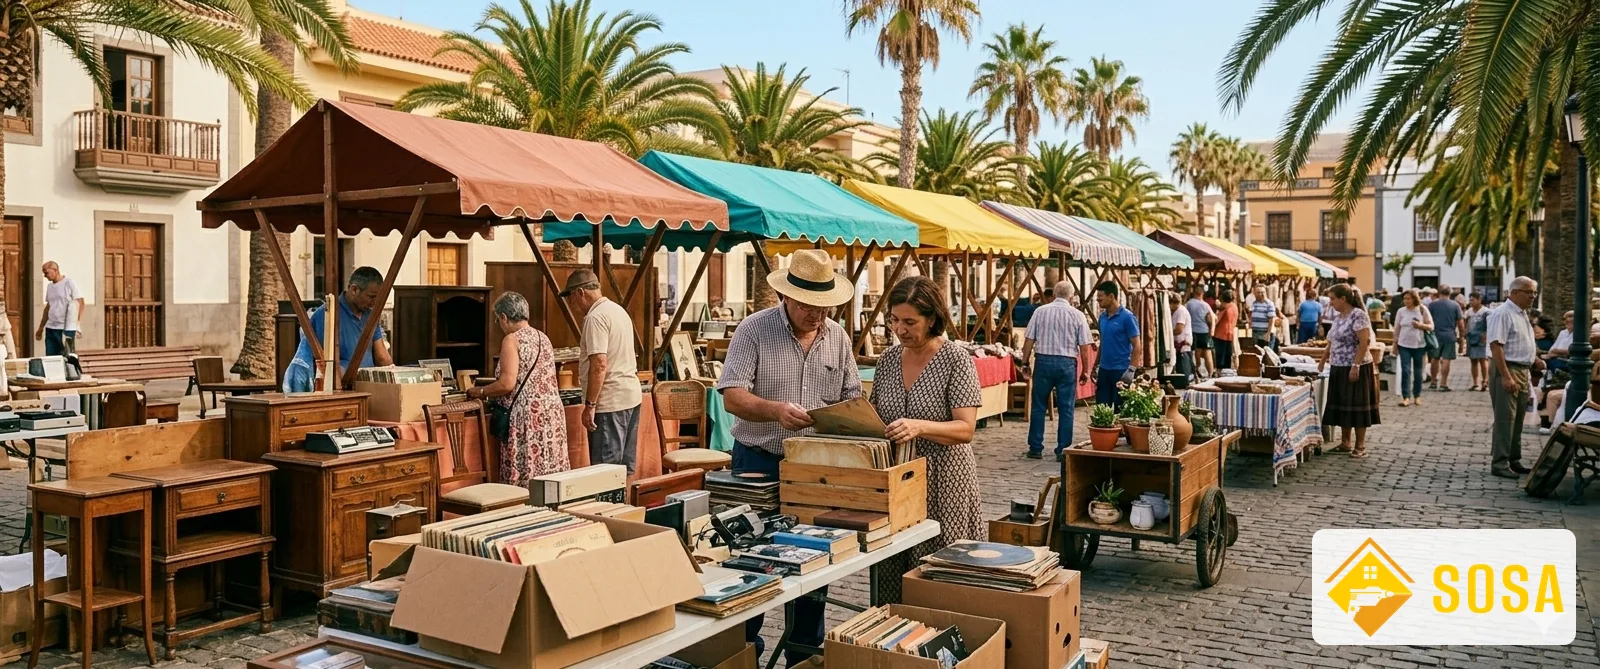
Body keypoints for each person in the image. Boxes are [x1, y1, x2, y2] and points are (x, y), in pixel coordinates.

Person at [717, 249, 860, 666]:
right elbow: (732, 396)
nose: (817, 315)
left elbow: (852, 396)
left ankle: (802, 655)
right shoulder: (754, 330)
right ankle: (746, 654)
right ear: (788, 297)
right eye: (808, 307)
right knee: (750, 560)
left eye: (824, 307)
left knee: (814, 559)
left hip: (813, 468)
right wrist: (775, 410)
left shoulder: (838, 337)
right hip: (758, 462)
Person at [868, 276, 984, 603]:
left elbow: (966, 429)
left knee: (940, 572)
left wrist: (920, 426)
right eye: (894, 320)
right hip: (897, 482)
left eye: (909, 322)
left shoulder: (955, 359)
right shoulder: (888, 360)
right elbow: (878, 413)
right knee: (891, 568)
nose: (900, 329)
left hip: (944, 481)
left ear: (931, 319)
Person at [465, 292, 569, 484]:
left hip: (527, 417)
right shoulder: (543, 337)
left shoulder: (512, 340)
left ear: (504, 317)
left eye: (498, 320)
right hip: (551, 414)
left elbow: (507, 383)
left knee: (526, 474)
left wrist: (480, 392)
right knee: (549, 472)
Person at [560, 270, 642, 475]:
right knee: (626, 468)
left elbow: (599, 364)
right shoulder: (618, 310)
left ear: (580, 292)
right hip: (630, 395)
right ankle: (625, 506)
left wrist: (590, 405)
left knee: (605, 471)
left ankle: (606, 507)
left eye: (570, 297)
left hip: (610, 401)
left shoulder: (595, 317)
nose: (572, 304)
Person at [283, 266, 396, 393]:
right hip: (342, 390)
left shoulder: (370, 316)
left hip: (369, 388)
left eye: (377, 298)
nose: (374, 303)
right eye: (371, 297)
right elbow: (323, 363)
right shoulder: (325, 315)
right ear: (354, 289)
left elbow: (382, 357)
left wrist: (395, 377)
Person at [1022, 281, 1092, 460]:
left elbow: (1029, 339)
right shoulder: (1077, 315)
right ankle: (1063, 448)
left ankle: (1035, 447)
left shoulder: (1040, 311)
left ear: (1053, 294)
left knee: (1038, 405)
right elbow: (1084, 346)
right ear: (1071, 296)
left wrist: (1024, 362)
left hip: (1043, 361)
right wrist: (1086, 370)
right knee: (1066, 407)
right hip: (1067, 363)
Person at [1487, 276, 1541, 479]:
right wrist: (1506, 376)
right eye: (1529, 292)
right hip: (1508, 368)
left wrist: (1534, 359)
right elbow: (1496, 346)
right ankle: (1500, 462)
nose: (1533, 296)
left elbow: (1520, 342)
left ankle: (1513, 458)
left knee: (1518, 417)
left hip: (1522, 369)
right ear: (1515, 292)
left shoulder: (1522, 313)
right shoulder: (1503, 313)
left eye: (1534, 292)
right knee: (1505, 418)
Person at [1319, 284, 1380, 458]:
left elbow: (1364, 342)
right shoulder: (1339, 317)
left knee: (1357, 405)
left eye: (1333, 299)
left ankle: (1360, 446)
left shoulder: (1358, 315)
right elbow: (1331, 341)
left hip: (1356, 367)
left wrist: (1356, 365)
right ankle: (1345, 442)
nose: (1331, 303)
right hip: (1338, 366)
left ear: (1343, 299)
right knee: (1343, 405)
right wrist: (1323, 361)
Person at [1094, 281, 1141, 411]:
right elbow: (1103, 343)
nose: (1098, 299)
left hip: (1121, 371)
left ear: (1111, 296)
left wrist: (1131, 370)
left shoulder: (1127, 317)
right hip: (1104, 370)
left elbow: (1137, 345)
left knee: (1121, 410)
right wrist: (1095, 365)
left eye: (1100, 296)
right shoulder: (1102, 317)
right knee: (1102, 410)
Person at [1538, 311, 1578, 435]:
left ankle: (1548, 421)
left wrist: (1557, 351)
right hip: (1556, 360)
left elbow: (1572, 350)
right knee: (1543, 365)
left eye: (1570, 317)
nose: (1567, 320)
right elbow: (1552, 349)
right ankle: (1541, 408)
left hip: (1566, 364)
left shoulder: (1578, 333)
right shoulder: (1563, 333)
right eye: (1565, 317)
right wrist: (1554, 352)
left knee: (1546, 367)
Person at [1393, 289, 1434, 407]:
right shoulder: (1401, 311)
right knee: (1405, 371)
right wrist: (1395, 344)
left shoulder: (1422, 309)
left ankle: (1417, 395)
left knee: (1418, 372)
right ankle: (1405, 397)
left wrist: (1420, 325)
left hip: (1419, 345)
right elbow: (1397, 328)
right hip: (1403, 344)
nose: (1406, 301)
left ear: (1414, 299)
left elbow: (1431, 326)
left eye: (1408, 299)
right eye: (1404, 299)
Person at [35, 262, 82, 356]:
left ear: (55, 270)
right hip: (51, 328)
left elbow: (80, 302)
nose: (45, 276)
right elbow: (48, 307)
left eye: (46, 272)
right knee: (51, 358)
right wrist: (41, 328)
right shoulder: (50, 286)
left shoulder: (69, 283)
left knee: (68, 357)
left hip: (65, 328)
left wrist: (76, 323)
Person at [1425, 283, 1466, 391]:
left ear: (1438, 292)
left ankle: (1433, 381)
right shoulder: (1455, 305)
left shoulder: (1432, 305)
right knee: (1446, 359)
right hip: (1449, 335)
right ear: (1450, 293)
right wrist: (1462, 337)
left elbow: (1426, 320)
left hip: (1435, 335)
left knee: (1434, 358)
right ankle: (1443, 383)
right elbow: (1461, 323)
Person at [1185, 285, 1215, 379]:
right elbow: (1211, 319)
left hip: (1193, 331)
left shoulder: (1188, 304)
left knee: (1196, 353)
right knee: (1207, 353)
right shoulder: (1205, 305)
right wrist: (1211, 331)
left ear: (1194, 293)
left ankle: (1195, 370)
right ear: (1202, 293)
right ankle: (1211, 373)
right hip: (1204, 331)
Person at [1465, 292, 1491, 391]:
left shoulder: (1486, 311)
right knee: (1473, 360)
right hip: (1471, 338)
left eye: (1473, 300)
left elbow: (1490, 325)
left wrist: (1486, 334)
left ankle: (1485, 381)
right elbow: (1466, 323)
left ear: (1479, 300)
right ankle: (1475, 382)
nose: (1471, 302)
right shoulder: (1469, 312)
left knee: (1483, 359)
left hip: (1482, 338)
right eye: (1470, 300)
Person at [1248, 284, 1280, 350]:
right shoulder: (1254, 303)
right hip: (1256, 332)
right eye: (1258, 292)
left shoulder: (1269, 304)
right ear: (1254, 294)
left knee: (1267, 354)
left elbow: (1271, 319)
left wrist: (1268, 333)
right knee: (1257, 353)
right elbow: (1251, 314)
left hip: (1265, 332)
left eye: (1262, 292)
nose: (1260, 294)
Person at [1214, 290, 1239, 371]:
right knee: (1228, 356)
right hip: (1230, 333)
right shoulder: (1234, 306)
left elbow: (1217, 320)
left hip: (1220, 334)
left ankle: (1219, 371)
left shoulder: (1224, 307)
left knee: (1220, 356)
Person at [1171, 291, 1193, 380]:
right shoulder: (1177, 311)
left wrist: (1167, 334)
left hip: (1183, 344)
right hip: (1179, 346)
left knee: (1183, 371)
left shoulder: (1181, 311)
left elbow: (1179, 329)